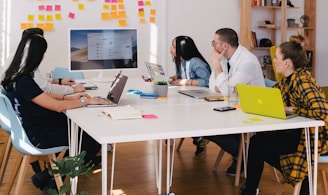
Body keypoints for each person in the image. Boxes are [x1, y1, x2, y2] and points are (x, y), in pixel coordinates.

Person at [1, 32, 109, 193]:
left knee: (79, 131)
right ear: (37, 56)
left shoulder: (14, 76)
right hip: (37, 136)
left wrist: (69, 96)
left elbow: (42, 96)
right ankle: (53, 182)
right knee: (88, 138)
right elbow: (57, 107)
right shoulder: (24, 81)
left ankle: (46, 176)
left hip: (32, 127)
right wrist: (86, 101)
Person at [241, 34, 328, 195]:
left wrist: (292, 110)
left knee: (258, 144)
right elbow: (274, 95)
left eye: (276, 58)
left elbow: (322, 111)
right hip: (297, 132)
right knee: (259, 142)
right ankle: (301, 183)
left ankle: (251, 190)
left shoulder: (302, 81)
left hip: (310, 136)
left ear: (287, 63)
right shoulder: (288, 80)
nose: (273, 60)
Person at [204, 28, 265, 176]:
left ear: (224, 46)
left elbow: (226, 90)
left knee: (211, 128)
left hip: (250, 111)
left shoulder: (247, 62)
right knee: (205, 125)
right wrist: (222, 82)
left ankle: (243, 156)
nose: (212, 46)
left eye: (214, 42)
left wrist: (217, 66)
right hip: (233, 106)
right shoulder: (224, 58)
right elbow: (212, 85)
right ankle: (241, 154)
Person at [0, 27, 86, 95]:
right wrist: (73, 89)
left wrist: (58, 81)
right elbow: (45, 88)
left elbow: (36, 81)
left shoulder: (17, 57)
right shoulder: (26, 62)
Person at [169, 35, 211, 156]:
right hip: (189, 96)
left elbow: (207, 81)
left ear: (181, 49)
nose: (170, 48)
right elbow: (183, 76)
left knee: (182, 112)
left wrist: (185, 82)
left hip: (201, 100)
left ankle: (199, 138)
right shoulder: (179, 61)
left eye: (173, 46)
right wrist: (177, 78)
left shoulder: (196, 62)